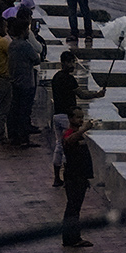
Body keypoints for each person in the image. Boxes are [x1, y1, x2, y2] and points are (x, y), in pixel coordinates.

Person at [51, 50, 104, 187]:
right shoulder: (69, 79)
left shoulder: (56, 77)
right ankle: (71, 176)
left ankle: (57, 177)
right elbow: (82, 95)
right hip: (66, 117)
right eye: (70, 62)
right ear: (63, 63)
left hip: (56, 115)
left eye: (73, 62)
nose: (72, 65)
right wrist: (97, 95)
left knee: (59, 145)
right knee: (71, 147)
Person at [6, 8, 45, 147]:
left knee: (15, 109)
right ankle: (24, 138)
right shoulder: (25, 45)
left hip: (15, 81)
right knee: (24, 111)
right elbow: (37, 59)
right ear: (23, 31)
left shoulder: (12, 45)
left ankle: (14, 136)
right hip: (27, 83)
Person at [61, 108, 95, 247]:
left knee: (74, 209)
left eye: (82, 117)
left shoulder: (77, 134)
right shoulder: (70, 133)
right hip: (73, 178)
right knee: (73, 209)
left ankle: (72, 237)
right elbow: (68, 141)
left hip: (80, 177)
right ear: (70, 119)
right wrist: (84, 129)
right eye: (77, 117)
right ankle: (72, 238)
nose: (81, 120)